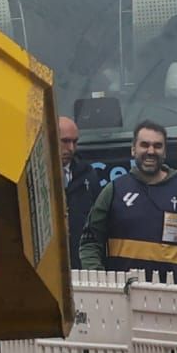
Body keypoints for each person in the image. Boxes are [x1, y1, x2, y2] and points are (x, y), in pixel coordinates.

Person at [79, 120, 177, 276]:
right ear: (133, 150)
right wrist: (99, 279)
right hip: (125, 295)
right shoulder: (114, 190)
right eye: (144, 145)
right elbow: (90, 242)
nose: (151, 151)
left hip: (175, 296)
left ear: (165, 152)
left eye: (157, 146)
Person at [60, 114, 107, 268]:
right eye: (65, 141)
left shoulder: (87, 174)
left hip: (81, 264)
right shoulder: (35, 175)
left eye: (75, 142)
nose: (71, 148)